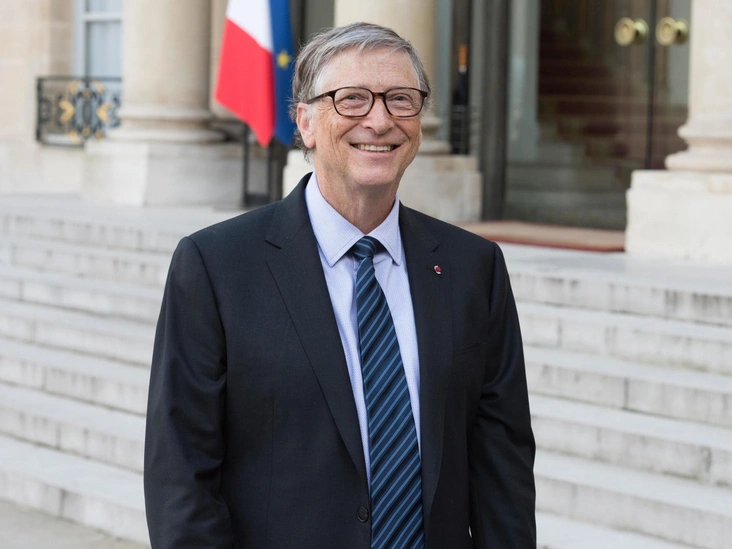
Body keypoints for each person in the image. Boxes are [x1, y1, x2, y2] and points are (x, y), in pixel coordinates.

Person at [144, 22, 535, 549]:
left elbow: (502, 465)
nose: (380, 119)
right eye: (352, 99)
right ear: (305, 122)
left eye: (401, 98)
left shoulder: (473, 267)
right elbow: (180, 473)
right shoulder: (215, 266)